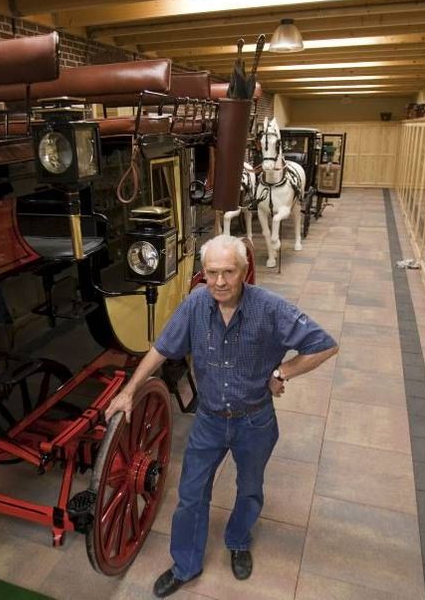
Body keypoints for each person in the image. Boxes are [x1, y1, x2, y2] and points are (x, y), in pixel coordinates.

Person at [104, 234, 338, 598]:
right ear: (204, 272)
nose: (220, 282)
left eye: (228, 272)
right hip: (209, 421)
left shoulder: (269, 307)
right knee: (191, 494)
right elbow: (162, 349)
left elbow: (324, 344)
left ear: (244, 271)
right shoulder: (196, 304)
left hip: (255, 420)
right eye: (212, 272)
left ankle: (238, 540)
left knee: (249, 489)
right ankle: (186, 564)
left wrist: (281, 373)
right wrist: (128, 391)